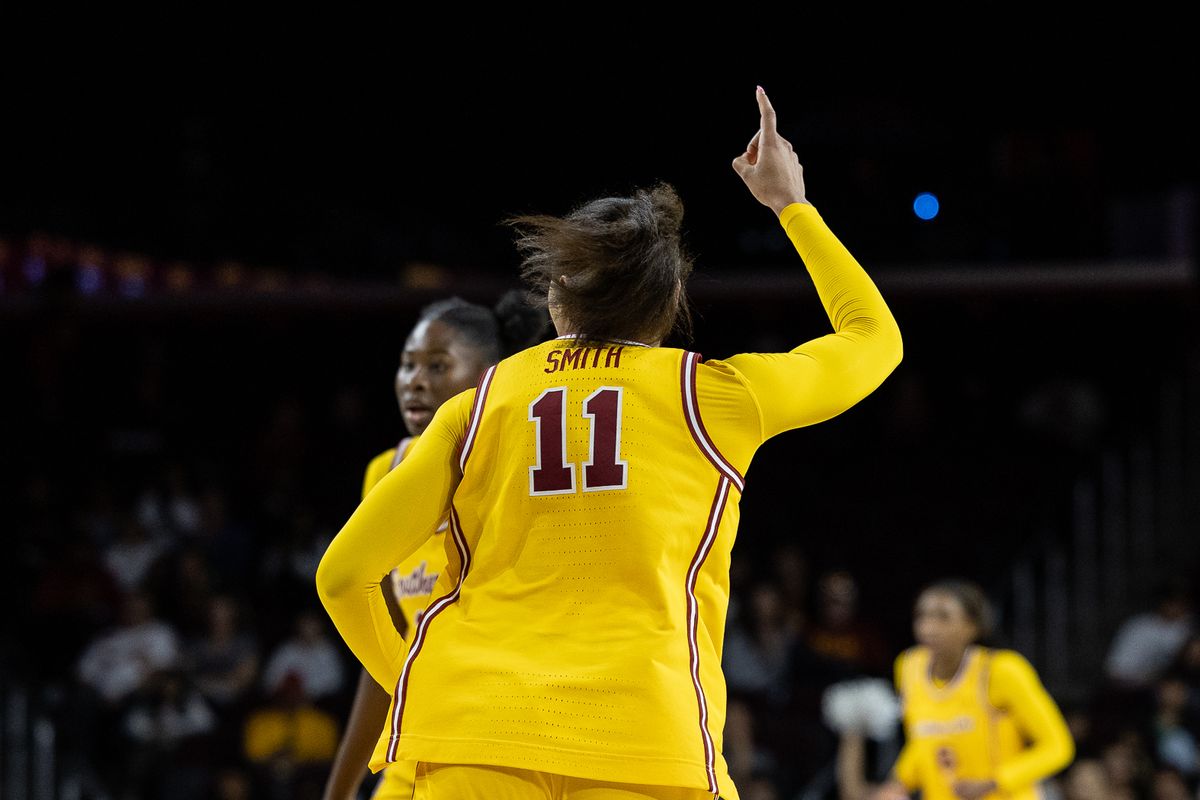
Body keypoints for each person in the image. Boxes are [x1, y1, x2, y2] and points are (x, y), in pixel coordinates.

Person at [317, 86, 903, 800]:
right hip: (647, 740)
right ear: (670, 302)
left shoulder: (477, 407)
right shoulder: (712, 396)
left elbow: (342, 577)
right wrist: (792, 206)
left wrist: (420, 677)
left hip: (472, 733)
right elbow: (874, 339)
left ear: (556, 297)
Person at [323, 293, 549, 800]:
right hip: (424, 740)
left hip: (513, 740)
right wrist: (340, 789)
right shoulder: (383, 473)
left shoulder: (522, 469)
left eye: (437, 364)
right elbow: (383, 652)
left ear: (490, 375)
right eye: (407, 366)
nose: (415, 381)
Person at [867, 581, 1074, 800]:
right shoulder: (908, 667)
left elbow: (1058, 747)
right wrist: (898, 782)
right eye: (922, 616)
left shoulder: (1002, 671)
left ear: (973, 626)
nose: (928, 627)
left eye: (943, 617)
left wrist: (994, 781)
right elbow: (924, 742)